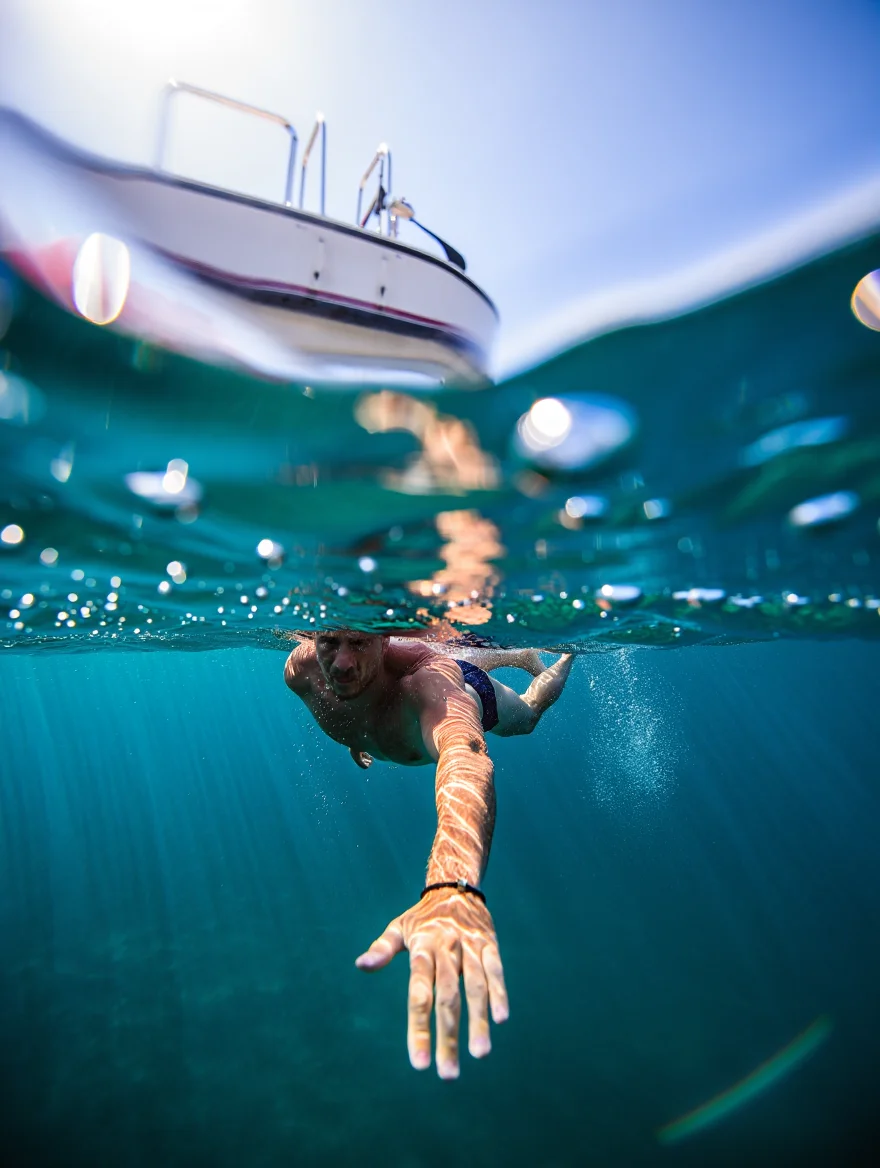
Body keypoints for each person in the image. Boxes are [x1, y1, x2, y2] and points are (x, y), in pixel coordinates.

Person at [283, 629, 573, 1079]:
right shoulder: (301, 673)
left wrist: (450, 884)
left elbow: (466, 756)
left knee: (529, 716)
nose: (340, 664)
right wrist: (358, 737)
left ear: (383, 642)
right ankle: (514, 653)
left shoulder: (426, 681)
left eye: (359, 643)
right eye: (330, 644)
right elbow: (346, 704)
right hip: (417, 694)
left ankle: (563, 654)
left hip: (460, 687)